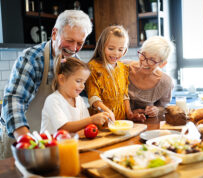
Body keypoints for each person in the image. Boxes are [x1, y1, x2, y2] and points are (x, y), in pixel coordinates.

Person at [0, 10, 92, 158]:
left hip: (51, 141)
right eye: (69, 40)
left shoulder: (75, 63)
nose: (74, 48)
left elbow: (87, 92)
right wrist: (27, 142)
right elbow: (14, 101)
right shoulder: (32, 59)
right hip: (20, 137)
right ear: (54, 33)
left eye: (80, 43)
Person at [85, 25, 145, 122]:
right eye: (111, 48)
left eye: (120, 50)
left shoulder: (123, 68)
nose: (116, 53)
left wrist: (130, 114)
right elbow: (93, 98)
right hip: (102, 119)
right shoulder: (93, 67)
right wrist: (108, 112)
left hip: (121, 119)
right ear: (102, 46)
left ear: (125, 50)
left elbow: (124, 95)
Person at [41, 57, 109, 134]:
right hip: (52, 145)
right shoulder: (53, 100)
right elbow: (63, 128)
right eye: (78, 81)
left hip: (73, 144)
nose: (83, 86)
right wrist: (92, 119)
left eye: (84, 82)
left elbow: (86, 125)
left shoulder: (79, 100)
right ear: (62, 79)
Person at [128, 36, 175, 118]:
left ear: (162, 64)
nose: (144, 63)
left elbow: (164, 107)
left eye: (151, 60)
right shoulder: (124, 68)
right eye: (143, 55)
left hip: (148, 125)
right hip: (120, 123)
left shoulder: (165, 82)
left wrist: (156, 110)